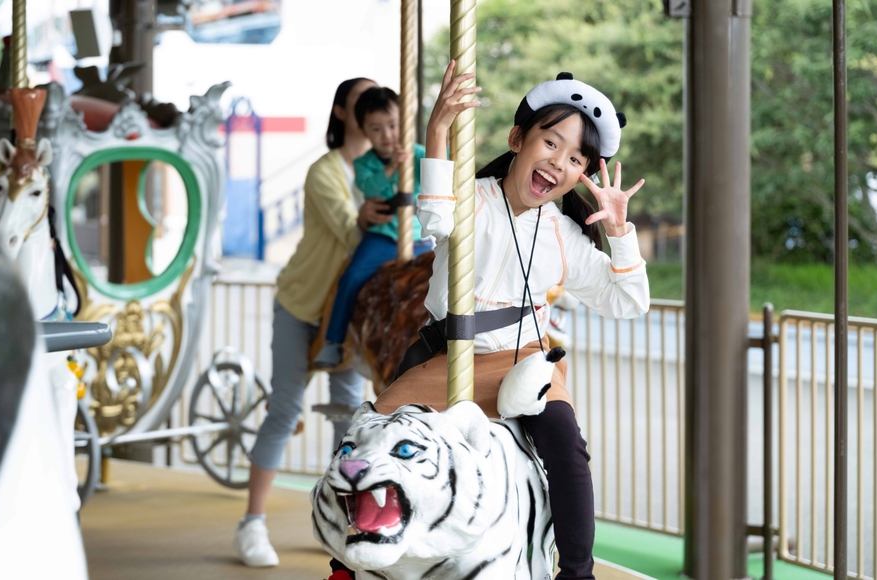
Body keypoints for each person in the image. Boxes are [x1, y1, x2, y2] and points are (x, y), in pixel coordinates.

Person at [371, 61, 650, 580]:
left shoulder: (563, 234)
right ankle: (352, 561)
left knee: (567, 448)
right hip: (446, 357)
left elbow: (627, 302)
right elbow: (433, 217)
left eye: (575, 158)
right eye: (551, 143)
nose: (558, 162)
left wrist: (619, 230)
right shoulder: (471, 201)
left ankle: (576, 572)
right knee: (370, 441)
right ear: (518, 138)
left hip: (521, 363)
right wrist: (437, 131)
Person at [233, 77, 394, 568]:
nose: (374, 114)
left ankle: (340, 518)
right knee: (285, 407)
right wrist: (371, 218)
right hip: (304, 305)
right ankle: (252, 523)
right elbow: (350, 233)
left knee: (348, 416)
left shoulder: (386, 165)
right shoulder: (326, 171)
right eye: (362, 102)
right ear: (346, 113)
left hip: (346, 318)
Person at [313, 86, 430, 368]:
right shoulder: (364, 163)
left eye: (393, 125)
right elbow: (370, 187)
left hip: (418, 237)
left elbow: (438, 171)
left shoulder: (417, 154)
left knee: (439, 279)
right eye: (377, 129)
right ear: (365, 131)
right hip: (384, 238)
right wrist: (392, 169)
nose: (387, 135)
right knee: (352, 276)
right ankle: (334, 341)